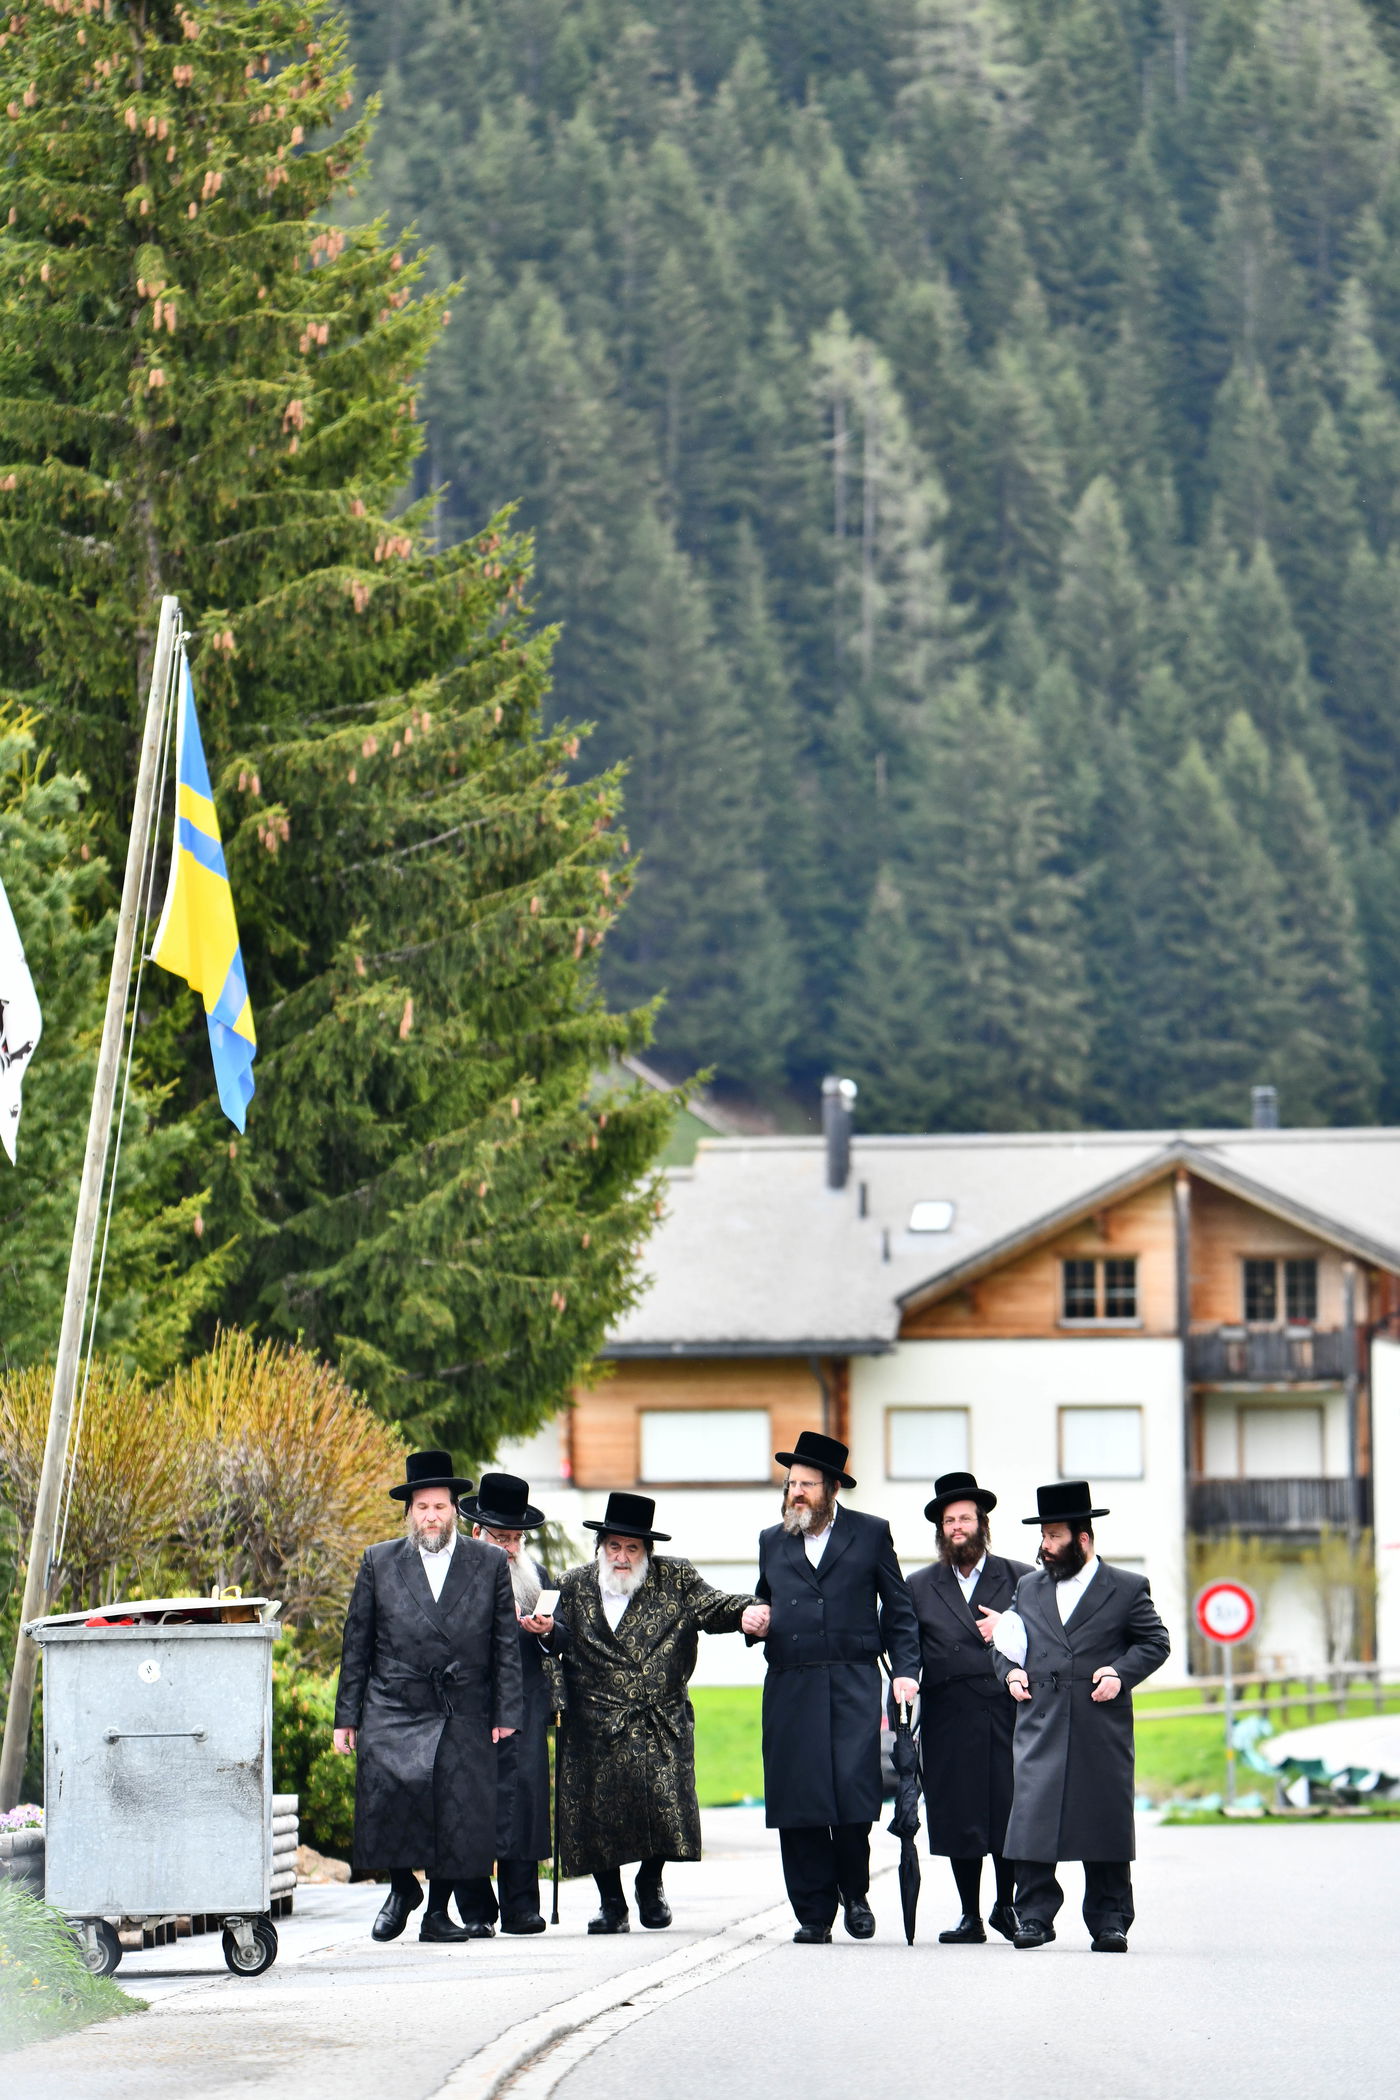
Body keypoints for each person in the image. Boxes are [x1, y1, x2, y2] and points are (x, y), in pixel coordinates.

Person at [333, 1449, 523, 1945]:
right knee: (390, 1798)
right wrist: (345, 1717)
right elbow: (357, 1642)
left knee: (455, 1809)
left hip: (462, 1701)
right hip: (393, 1701)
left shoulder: (487, 1563)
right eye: (422, 1507)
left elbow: (505, 1642)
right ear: (409, 1512)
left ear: (455, 1511)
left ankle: (436, 1912)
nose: (431, 1516)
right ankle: (402, 1888)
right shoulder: (379, 1560)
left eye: (439, 1506)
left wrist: (506, 1711)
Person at [743, 1430, 920, 1945]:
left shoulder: (870, 1533)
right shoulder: (771, 1540)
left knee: (852, 1794)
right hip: (790, 1685)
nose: (796, 1492)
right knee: (798, 1800)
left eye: (807, 1484)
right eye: (791, 1482)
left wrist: (907, 1669)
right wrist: (751, 1620)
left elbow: (900, 1609)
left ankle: (855, 1893)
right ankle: (813, 1912)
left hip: (851, 1681)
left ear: (833, 1489)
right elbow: (765, 1600)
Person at [552, 1490, 754, 1934]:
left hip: (657, 1719)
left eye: (632, 1548)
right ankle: (611, 1903)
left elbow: (713, 1605)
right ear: (600, 1547)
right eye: (614, 1546)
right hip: (595, 1722)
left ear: (647, 1551)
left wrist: (748, 1612)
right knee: (595, 1814)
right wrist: (556, 1701)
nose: (621, 1557)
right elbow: (552, 1641)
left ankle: (650, 1881)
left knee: (664, 1806)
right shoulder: (572, 1585)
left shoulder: (674, 1578)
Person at [992, 1480, 1170, 1953]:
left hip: (1100, 1722)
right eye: (1044, 1536)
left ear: (1083, 1539)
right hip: (1039, 1719)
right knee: (1032, 1817)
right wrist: (1010, 1674)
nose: (1045, 1546)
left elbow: (1155, 1642)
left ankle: (1110, 1921)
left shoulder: (1128, 1588)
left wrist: (1122, 1672)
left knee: (1104, 1819)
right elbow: (1006, 1648)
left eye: (1054, 1536)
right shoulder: (1028, 1589)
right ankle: (1032, 1916)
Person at [906, 1470, 1032, 1946]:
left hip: (1006, 1708)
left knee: (1007, 1807)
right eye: (948, 1520)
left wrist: (1008, 1626)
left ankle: (1007, 1907)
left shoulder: (1021, 1577)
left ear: (982, 1524)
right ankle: (969, 1915)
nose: (957, 1526)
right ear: (940, 1530)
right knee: (958, 1812)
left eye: (965, 1518)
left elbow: (1043, 1640)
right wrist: (903, 1683)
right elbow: (904, 1643)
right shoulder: (919, 1584)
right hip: (947, 1713)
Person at [452, 1473, 560, 1937]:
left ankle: (521, 1907)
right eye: (501, 1537)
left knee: (524, 1802)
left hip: (527, 1707)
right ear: (477, 1533)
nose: (511, 1547)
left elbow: (567, 1638)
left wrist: (548, 1630)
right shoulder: (456, 1576)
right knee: (471, 1804)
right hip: (471, 1709)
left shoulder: (537, 1579)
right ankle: (476, 1909)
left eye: (516, 1538)